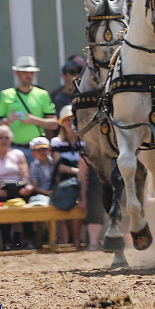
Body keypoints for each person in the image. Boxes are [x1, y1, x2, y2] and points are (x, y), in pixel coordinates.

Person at [0, 56, 58, 165]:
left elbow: (54, 124)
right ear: (17, 73)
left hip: (38, 149)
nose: (28, 75)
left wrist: (34, 120)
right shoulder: (6, 95)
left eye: (31, 73)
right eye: (25, 72)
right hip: (13, 148)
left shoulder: (42, 94)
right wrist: (8, 121)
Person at [0, 124, 33, 249]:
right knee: (1, 205)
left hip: (17, 188)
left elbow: (25, 175)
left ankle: (28, 240)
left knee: (26, 204)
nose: (3, 140)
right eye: (0, 137)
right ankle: (7, 242)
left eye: (6, 137)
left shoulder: (18, 154)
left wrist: (28, 187)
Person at [51, 106, 87, 248]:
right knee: (68, 201)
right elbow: (58, 165)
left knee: (80, 204)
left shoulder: (84, 141)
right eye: (66, 120)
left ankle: (77, 238)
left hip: (82, 179)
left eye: (72, 120)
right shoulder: (56, 142)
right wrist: (77, 171)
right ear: (62, 123)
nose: (70, 123)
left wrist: (80, 173)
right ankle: (70, 239)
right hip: (64, 180)